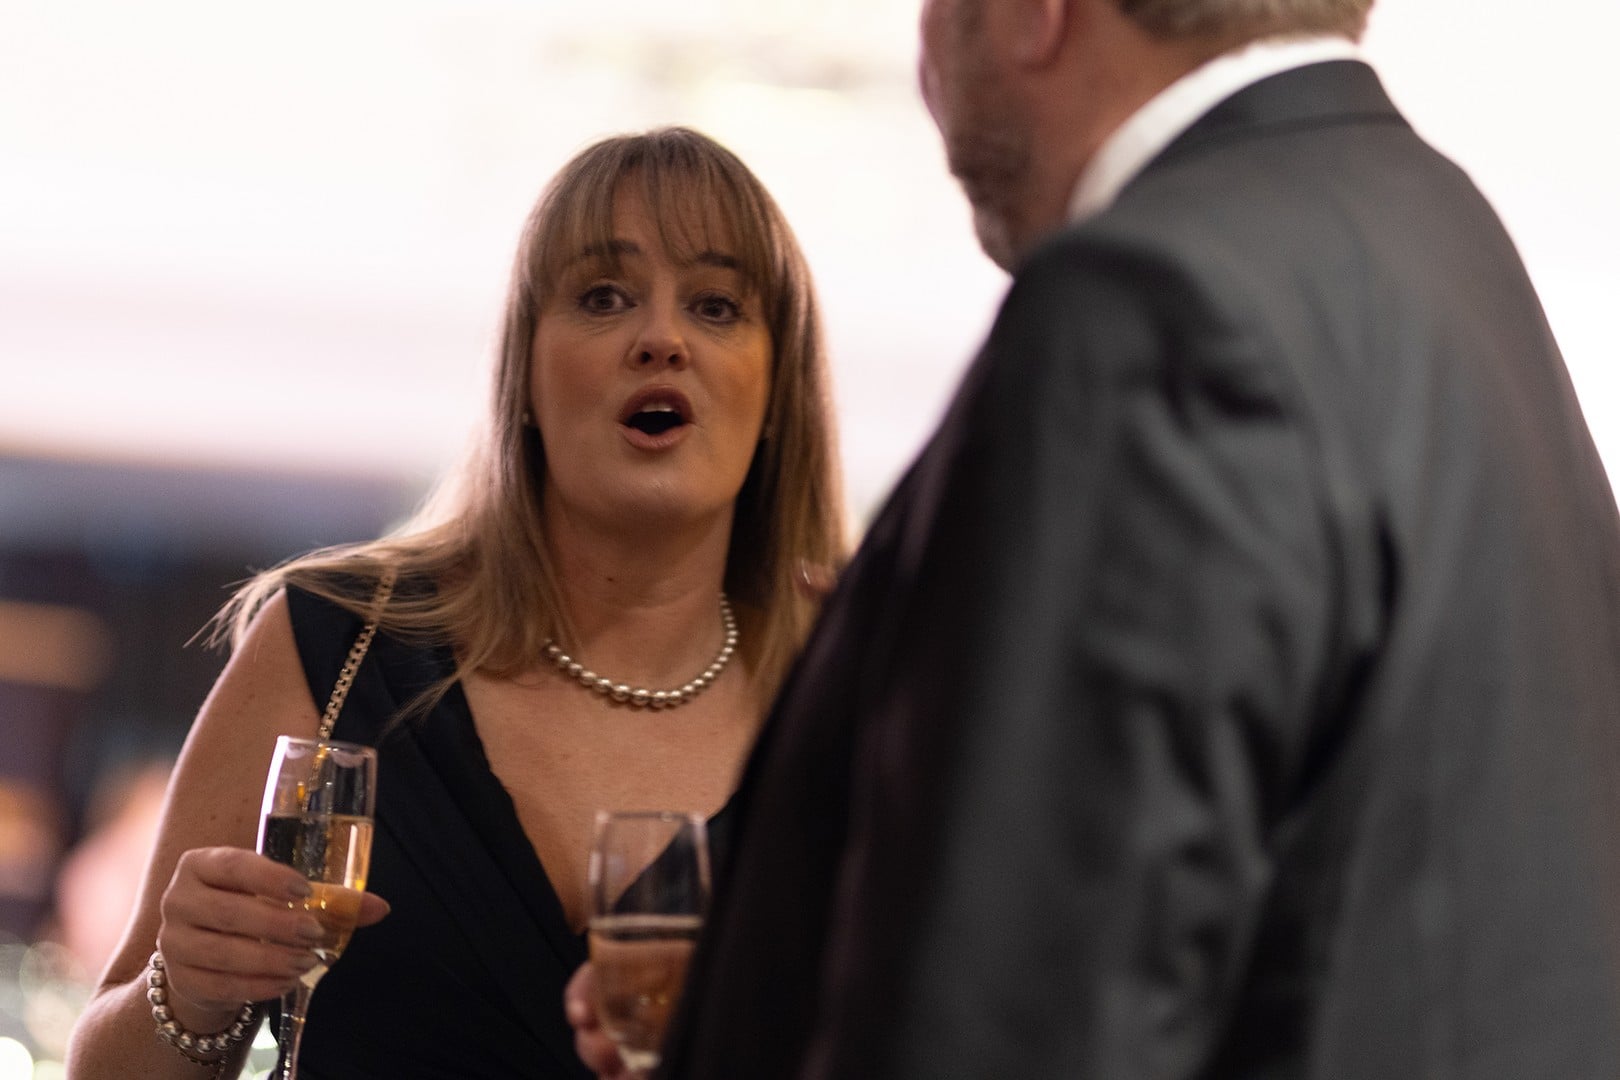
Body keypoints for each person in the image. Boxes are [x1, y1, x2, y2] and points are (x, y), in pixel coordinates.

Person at [567, 0, 1620, 1076]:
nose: (926, 63)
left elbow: (1011, 1021)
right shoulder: (1440, 236)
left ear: (1035, 15)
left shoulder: (1143, 312)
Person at [65, 126, 845, 1079]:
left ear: (777, 393)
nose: (661, 339)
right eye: (604, 296)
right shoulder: (336, 642)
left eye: (717, 306)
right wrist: (190, 990)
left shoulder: (855, 694)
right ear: (526, 372)